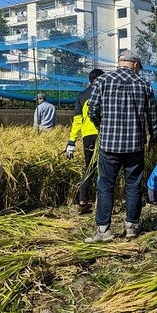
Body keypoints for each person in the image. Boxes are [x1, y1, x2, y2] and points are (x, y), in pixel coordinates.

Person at [85, 50, 157, 243]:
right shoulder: (144, 84)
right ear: (134, 64)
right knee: (133, 185)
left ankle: (103, 230)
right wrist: (153, 139)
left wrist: (102, 125)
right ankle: (131, 226)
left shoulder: (103, 81)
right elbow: (152, 116)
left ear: (120, 63)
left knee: (106, 186)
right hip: (135, 144)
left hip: (109, 144)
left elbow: (92, 108)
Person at [65, 68, 104, 213]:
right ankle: (102, 202)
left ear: (89, 80)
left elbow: (77, 121)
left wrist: (71, 142)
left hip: (87, 136)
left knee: (89, 168)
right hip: (103, 134)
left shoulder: (81, 96)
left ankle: (82, 201)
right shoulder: (104, 93)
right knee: (104, 169)